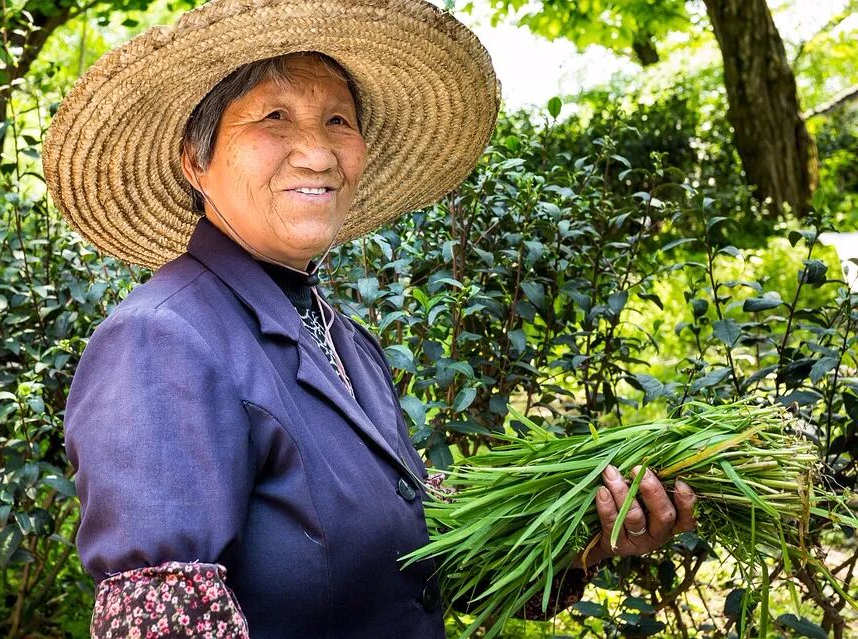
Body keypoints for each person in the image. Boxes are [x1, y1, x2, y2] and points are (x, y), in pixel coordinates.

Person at [42, 1, 696, 637]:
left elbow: (425, 563)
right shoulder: (162, 337)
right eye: (274, 115)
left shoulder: (342, 340)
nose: (318, 153)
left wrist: (590, 534)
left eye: (337, 120)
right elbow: (162, 619)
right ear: (196, 159)